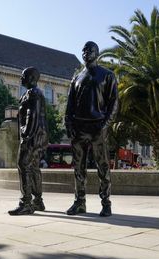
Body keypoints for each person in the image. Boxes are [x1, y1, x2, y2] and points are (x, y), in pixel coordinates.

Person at [65, 41, 118, 217]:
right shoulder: (76, 78)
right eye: (84, 50)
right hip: (79, 128)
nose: (86, 53)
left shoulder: (107, 75)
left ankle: (106, 203)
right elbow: (69, 106)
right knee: (78, 168)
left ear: (97, 53)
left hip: (97, 127)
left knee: (103, 167)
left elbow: (114, 103)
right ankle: (79, 202)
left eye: (90, 50)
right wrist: (69, 125)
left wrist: (105, 126)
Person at [8, 67, 48, 216]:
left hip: (32, 136)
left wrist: (25, 135)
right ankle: (38, 201)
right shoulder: (32, 93)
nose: (21, 78)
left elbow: (33, 115)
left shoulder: (33, 94)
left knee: (23, 165)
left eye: (23, 76)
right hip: (39, 136)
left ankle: (26, 203)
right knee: (34, 167)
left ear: (31, 78)